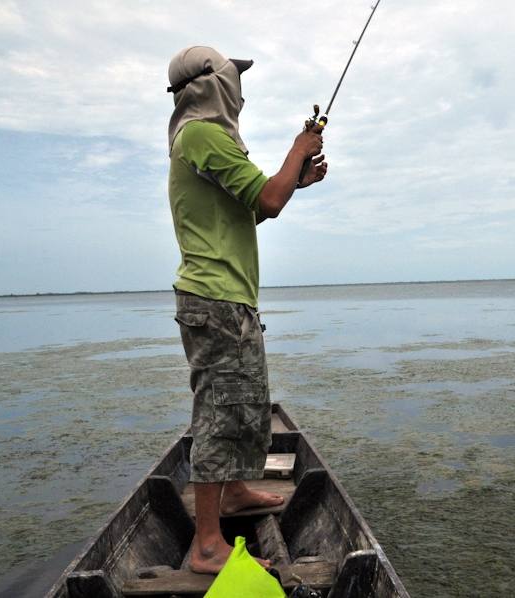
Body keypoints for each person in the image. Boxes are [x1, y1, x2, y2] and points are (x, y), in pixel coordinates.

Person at [166, 46, 327, 574]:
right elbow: (268, 200)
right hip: (214, 299)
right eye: (235, 79)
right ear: (211, 85)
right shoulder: (201, 134)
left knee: (243, 404)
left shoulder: (201, 139)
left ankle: (233, 492)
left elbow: (252, 211)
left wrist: (295, 178)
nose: (242, 91)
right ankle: (206, 543)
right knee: (219, 411)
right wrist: (297, 149)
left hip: (228, 297)